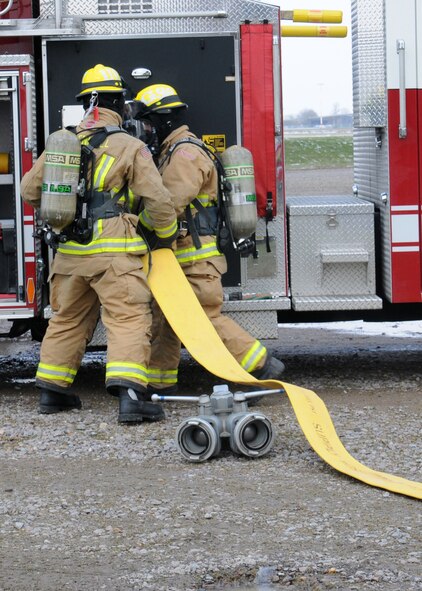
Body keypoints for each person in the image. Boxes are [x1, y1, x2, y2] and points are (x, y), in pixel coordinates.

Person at [20, 65, 178, 423]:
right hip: (112, 252)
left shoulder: (65, 144)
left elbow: (30, 190)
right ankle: (131, 399)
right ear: (117, 103)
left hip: (71, 253)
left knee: (68, 319)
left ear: (86, 104)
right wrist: (162, 235)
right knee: (127, 318)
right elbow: (158, 201)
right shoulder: (129, 145)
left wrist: (66, 213)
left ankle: (52, 392)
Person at [132, 83, 285, 396]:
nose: (146, 130)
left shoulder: (184, 154)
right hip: (182, 259)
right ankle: (160, 384)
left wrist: (136, 228)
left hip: (195, 260)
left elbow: (169, 204)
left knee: (203, 319)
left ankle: (261, 365)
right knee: (167, 320)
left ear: (164, 121)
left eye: (149, 123)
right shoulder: (171, 152)